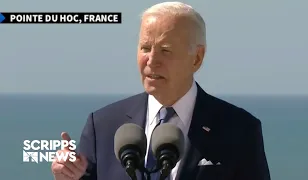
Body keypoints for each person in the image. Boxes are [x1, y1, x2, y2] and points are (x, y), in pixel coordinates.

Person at [51, 2, 271, 180]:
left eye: (165, 50)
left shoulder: (240, 130)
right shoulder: (102, 125)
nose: (152, 60)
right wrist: (69, 177)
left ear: (197, 58)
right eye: (145, 48)